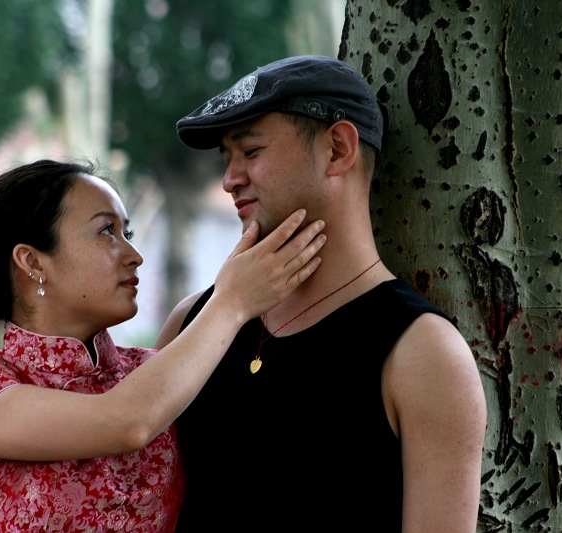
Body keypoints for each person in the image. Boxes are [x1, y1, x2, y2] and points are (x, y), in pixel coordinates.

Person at [155, 55, 487, 532]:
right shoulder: (195, 320)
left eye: (250, 152)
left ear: (337, 149)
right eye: (227, 159)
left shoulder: (423, 353)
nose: (230, 180)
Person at [0, 158, 327, 532]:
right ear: (33, 262)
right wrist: (232, 300)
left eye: (126, 232)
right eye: (107, 231)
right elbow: (124, 423)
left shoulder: (152, 373)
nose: (134, 255)